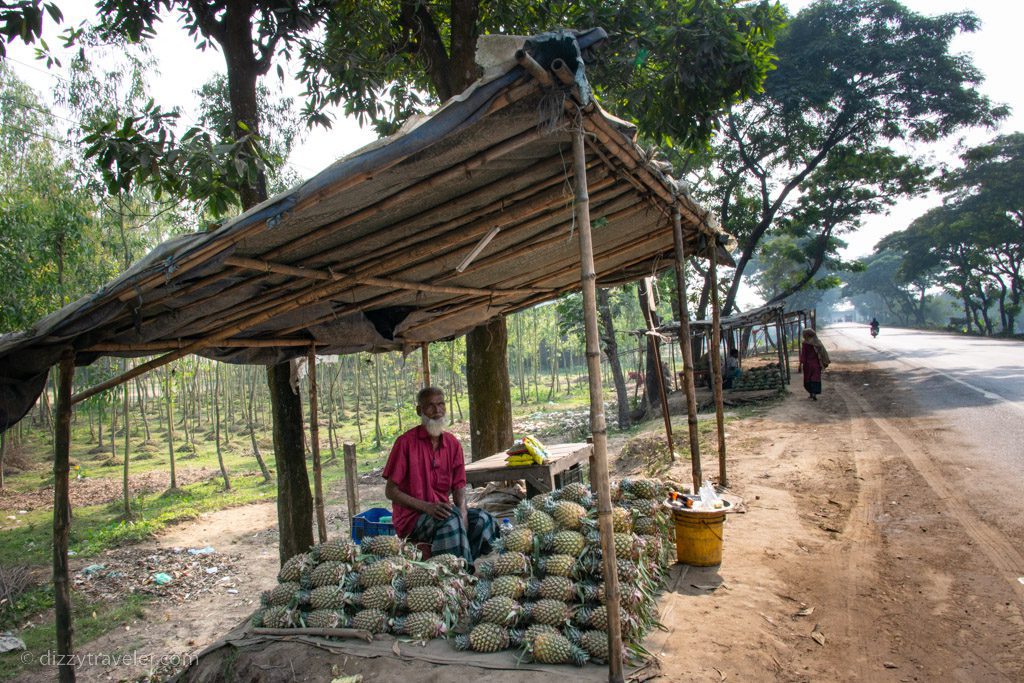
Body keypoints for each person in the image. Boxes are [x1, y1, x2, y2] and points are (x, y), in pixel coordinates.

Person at [383, 386, 496, 566]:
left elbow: (459, 487)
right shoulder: (405, 443)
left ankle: (463, 564)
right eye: (430, 406)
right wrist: (427, 507)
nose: (437, 411)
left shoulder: (452, 444)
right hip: (412, 518)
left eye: (441, 404)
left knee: (483, 519)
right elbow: (391, 491)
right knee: (450, 522)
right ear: (420, 410)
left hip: (442, 512)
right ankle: (459, 576)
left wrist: (464, 515)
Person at [798, 329, 830, 400]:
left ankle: (811, 393)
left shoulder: (805, 343)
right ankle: (815, 394)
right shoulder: (818, 343)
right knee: (815, 378)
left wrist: (800, 364)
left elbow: (804, 355)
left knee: (808, 378)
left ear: (806, 335)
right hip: (816, 364)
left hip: (807, 365)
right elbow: (822, 353)